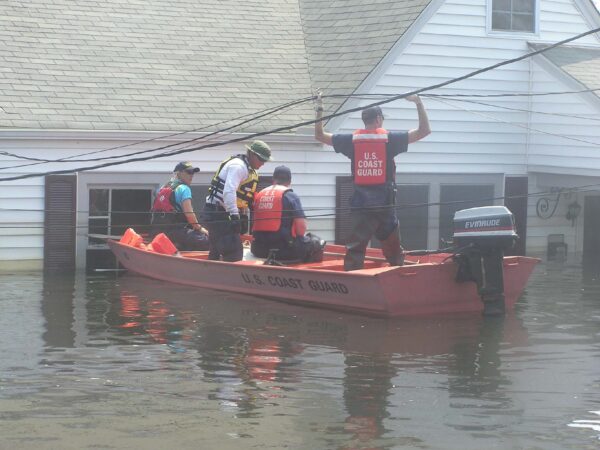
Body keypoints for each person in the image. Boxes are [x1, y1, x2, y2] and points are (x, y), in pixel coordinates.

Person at [314, 93, 431, 270]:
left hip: (360, 206)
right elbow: (424, 131)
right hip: (385, 206)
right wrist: (418, 103)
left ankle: (353, 283)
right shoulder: (389, 140)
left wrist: (319, 109)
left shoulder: (352, 141)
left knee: (355, 251)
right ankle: (397, 279)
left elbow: (320, 136)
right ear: (378, 119)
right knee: (394, 252)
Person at [203, 140, 272, 262]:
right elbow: (229, 191)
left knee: (217, 250)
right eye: (261, 159)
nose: (263, 163)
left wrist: (242, 215)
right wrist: (235, 216)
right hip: (217, 213)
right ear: (251, 154)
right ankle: (228, 279)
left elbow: (242, 197)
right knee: (233, 252)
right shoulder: (238, 166)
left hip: (220, 213)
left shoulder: (248, 169)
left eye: (265, 160)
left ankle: (210, 275)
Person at [251, 165, 325, 263]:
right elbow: (301, 229)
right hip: (285, 251)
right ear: (289, 181)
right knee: (317, 242)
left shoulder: (260, 195)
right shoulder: (290, 196)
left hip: (258, 249)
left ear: (273, 180)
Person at [150, 161, 209, 251]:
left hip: (156, 232)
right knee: (209, 240)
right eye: (189, 172)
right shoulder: (184, 189)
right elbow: (189, 215)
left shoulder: (163, 187)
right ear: (179, 173)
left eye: (193, 173)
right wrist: (201, 229)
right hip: (175, 233)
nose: (192, 175)